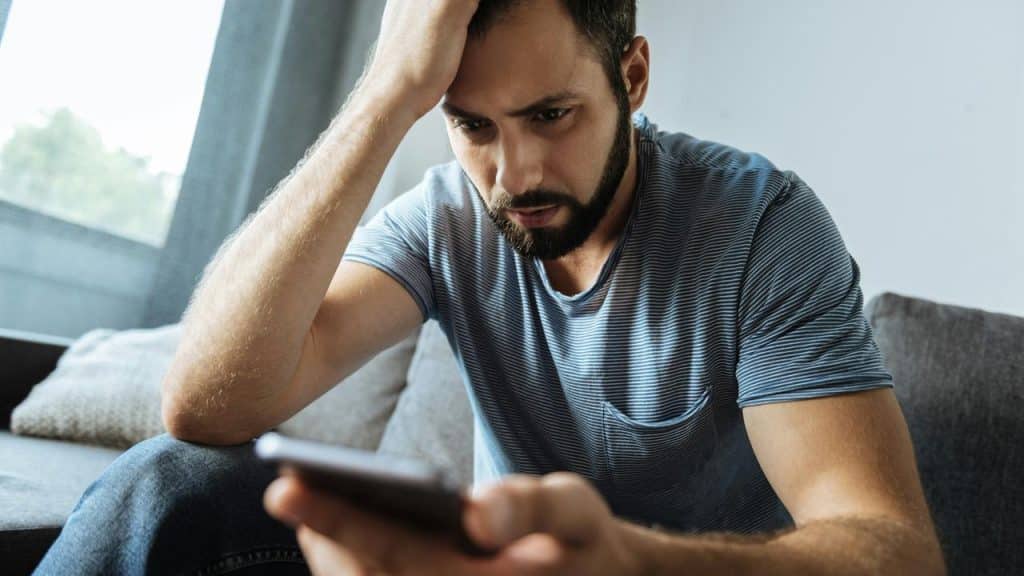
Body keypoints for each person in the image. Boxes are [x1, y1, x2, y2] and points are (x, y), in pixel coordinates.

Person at [35, 0, 947, 574]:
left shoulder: (759, 227)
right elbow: (203, 404)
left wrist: (625, 560)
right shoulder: (448, 218)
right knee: (166, 482)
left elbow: (894, 548)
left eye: (551, 115)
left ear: (631, 75)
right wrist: (390, 89)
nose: (515, 175)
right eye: (473, 124)